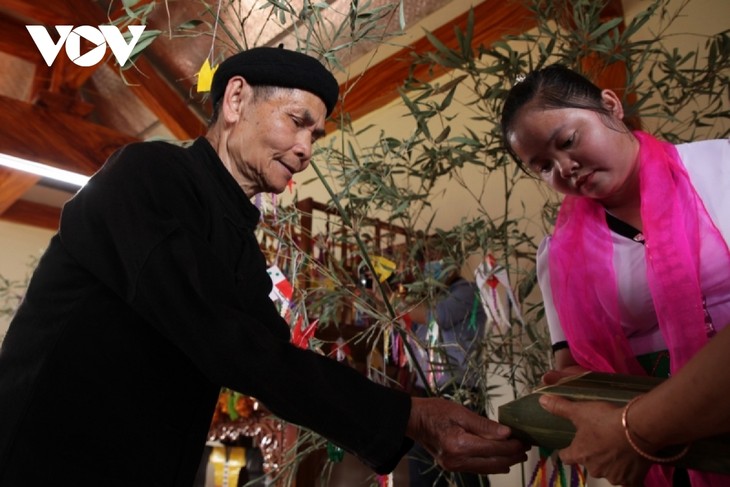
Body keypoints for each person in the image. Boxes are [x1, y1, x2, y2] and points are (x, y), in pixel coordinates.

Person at [0, 47, 528, 485]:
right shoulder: (149, 174)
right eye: (297, 122)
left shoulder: (239, 243)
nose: (305, 150)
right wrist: (410, 416)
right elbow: (224, 338)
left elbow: (275, 359)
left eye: (315, 136)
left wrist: (411, 418)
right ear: (235, 99)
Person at [499, 63, 730, 486]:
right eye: (543, 166)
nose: (563, 168)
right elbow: (571, 368)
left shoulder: (721, 168)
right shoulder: (558, 256)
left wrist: (637, 425)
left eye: (567, 141)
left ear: (611, 105)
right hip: (666, 455)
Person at [405, 260, 488, 487]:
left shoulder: (467, 291)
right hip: (427, 390)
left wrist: (398, 306)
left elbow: (439, 317)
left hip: (460, 391)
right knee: (423, 465)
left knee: (467, 468)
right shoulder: (431, 298)